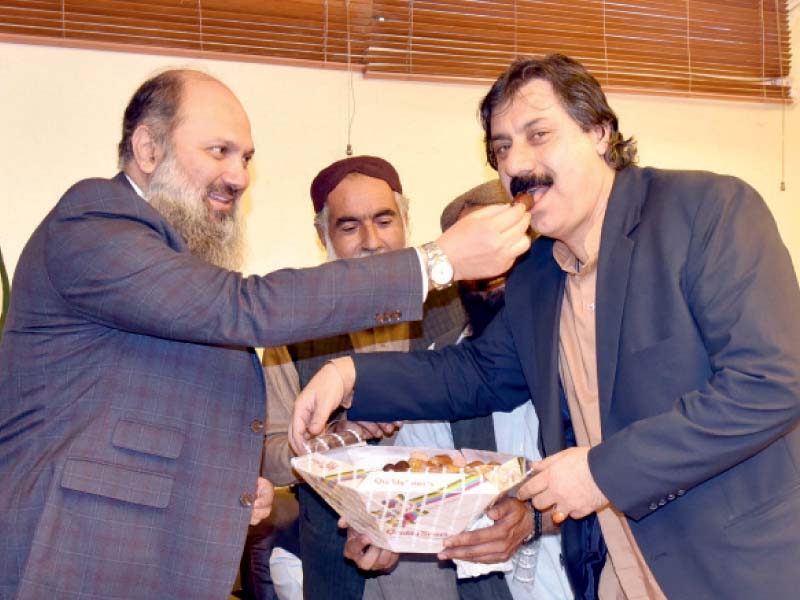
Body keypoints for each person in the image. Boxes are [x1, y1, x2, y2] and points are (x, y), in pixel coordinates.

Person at [0, 68, 532, 600]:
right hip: (74, 552)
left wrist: (226, 482)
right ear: (147, 147)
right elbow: (244, 306)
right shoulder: (93, 221)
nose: (238, 177)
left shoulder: (173, 266)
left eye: (246, 158)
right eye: (218, 150)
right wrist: (435, 261)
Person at [290, 53, 800, 600]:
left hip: (734, 568)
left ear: (599, 132)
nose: (518, 165)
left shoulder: (707, 210)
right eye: (503, 148)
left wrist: (602, 471)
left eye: (538, 134)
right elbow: (478, 374)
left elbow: (772, 384)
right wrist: (350, 376)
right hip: (608, 572)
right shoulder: (537, 272)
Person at [344, 179, 573, 600]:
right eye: (479, 261)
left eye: (510, 252)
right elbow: (427, 486)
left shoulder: (585, 348)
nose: (493, 273)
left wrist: (536, 520)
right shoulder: (443, 363)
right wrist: (389, 531)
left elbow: (629, 477)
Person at [254, 155, 466, 600]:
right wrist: (334, 437)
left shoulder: (455, 309)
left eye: (385, 220)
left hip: (449, 559)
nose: (372, 241)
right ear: (322, 235)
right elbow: (268, 456)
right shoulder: (293, 329)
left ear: (406, 220)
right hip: (337, 562)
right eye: (350, 227)